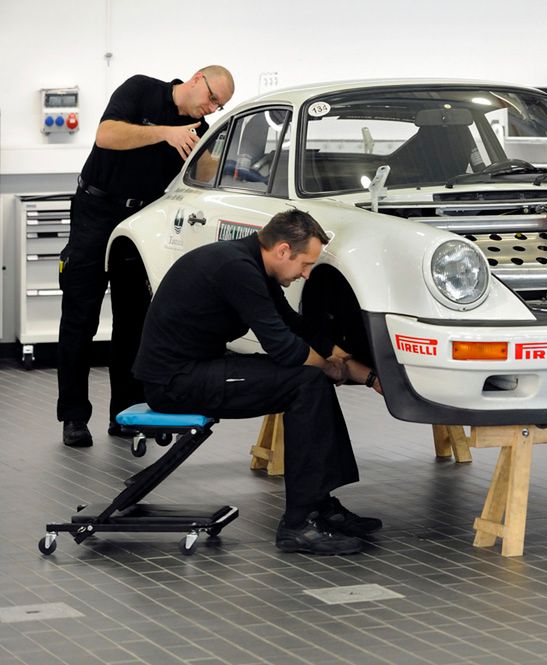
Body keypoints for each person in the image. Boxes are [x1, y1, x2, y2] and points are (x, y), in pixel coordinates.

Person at [133, 208, 382, 555]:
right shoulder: (237, 269)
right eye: (305, 264)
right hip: (175, 383)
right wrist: (330, 368)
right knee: (306, 381)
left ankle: (321, 506)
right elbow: (283, 347)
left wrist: (368, 375)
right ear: (282, 250)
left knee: (310, 379)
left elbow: (298, 327)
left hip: (201, 367)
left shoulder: (251, 264)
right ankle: (298, 525)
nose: (307, 275)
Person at [58, 65, 235, 447]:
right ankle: (73, 415)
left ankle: (124, 414)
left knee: (133, 321)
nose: (211, 108)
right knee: (80, 317)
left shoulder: (198, 132)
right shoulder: (141, 90)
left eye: (218, 105)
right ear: (196, 79)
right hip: (95, 210)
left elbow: (205, 173)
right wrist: (166, 134)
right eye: (212, 98)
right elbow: (106, 135)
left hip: (138, 223)